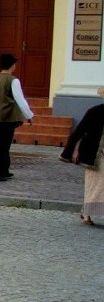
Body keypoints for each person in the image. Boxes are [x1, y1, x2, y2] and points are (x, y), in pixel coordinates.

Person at [0, 53, 34, 182]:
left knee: (2, 144)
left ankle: (4, 170)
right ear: (12, 66)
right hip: (8, 117)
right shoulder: (13, 80)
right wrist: (29, 115)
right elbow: (20, 100)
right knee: (2, 145)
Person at [59, 88, 104, 226]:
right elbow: (79, 132)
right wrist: (74, 150)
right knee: (94, 185)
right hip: (96, 155)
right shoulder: (95, 111)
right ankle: (87, 212)